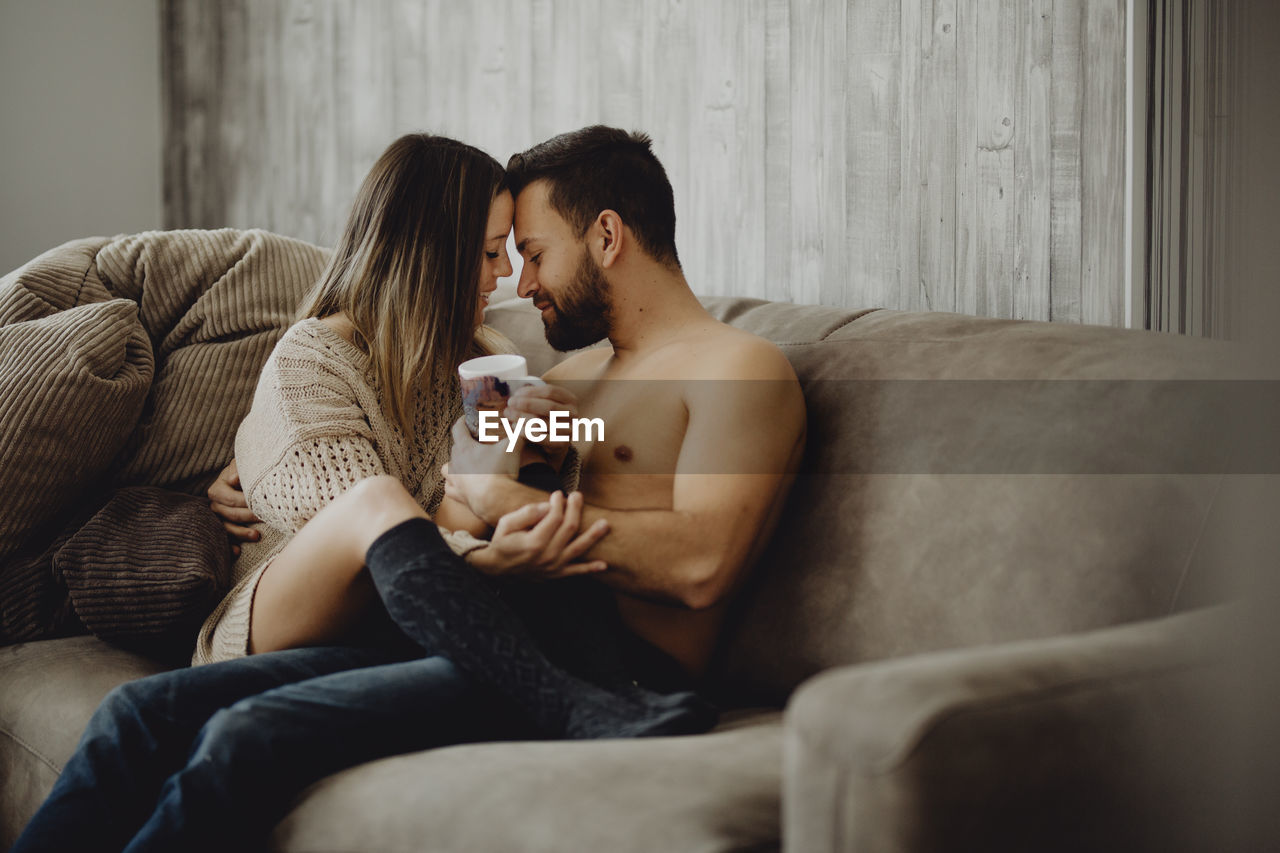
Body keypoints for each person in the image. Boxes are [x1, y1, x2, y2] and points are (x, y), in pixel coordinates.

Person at [10, 131, 713, 853]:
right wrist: (485, 556)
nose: (504, 276)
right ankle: (557, 698)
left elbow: (474, 500)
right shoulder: (313, 356)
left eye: (514, 251)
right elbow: (365, 535)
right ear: (429, 252)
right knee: (374, 503)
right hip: (291, 613)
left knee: (135, 711)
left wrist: (528, 446)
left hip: (415, 620)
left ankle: (564, 691)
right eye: (489, 251)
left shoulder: (482, 363)